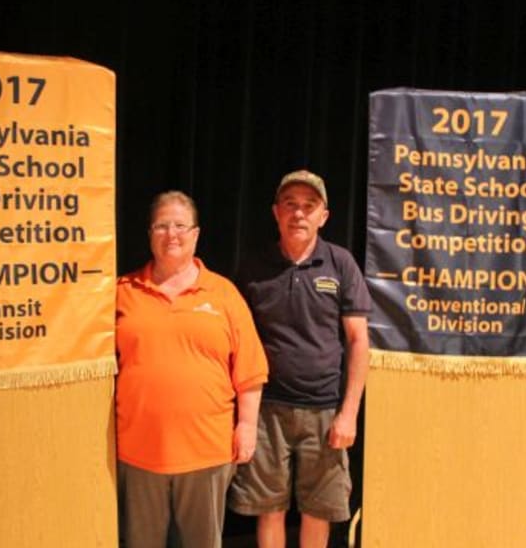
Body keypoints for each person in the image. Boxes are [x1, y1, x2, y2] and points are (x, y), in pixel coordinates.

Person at [115, 190, 268, 548]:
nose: (171, 234)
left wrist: (247, 427)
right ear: (150, 234)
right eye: (162, 226)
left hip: (207, 453)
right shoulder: (123, 291)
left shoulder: (223, 293)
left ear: (196, 235)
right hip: (138, 455)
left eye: (180, 226)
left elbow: (250, 369)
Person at [229, 170, 370, 548]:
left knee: (318, 510)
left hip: (324, 410)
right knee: (269, 509)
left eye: (309, 206)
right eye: (290, 204)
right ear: (276, 212)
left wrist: (349, 413)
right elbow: (237, 341)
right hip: (266, 410)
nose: (299, 214)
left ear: (324, 216)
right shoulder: (253, 266)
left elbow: (359, 341)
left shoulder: (340, 264)